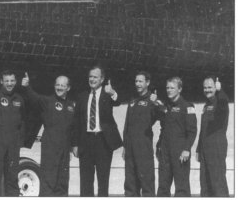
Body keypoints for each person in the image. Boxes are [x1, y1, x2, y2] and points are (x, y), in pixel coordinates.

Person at [71, 65, 123, 196]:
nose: (92, 79)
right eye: (90, 76)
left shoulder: (107, 94)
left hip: (103, 141)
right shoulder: (82, 96)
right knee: (86, 180)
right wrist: (75, 144)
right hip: (86, 141)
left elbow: (118, 102)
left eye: (95, 77)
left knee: (103, 180)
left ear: (102, 79)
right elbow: (76, 122)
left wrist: (113, 93)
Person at [21, 72, 75, 196]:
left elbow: (73, 128)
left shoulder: (71, 106)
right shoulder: (47, 101)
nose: (59, 87)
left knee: (62, 182)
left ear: (68, 88)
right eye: (57, 85)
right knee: (48, 181)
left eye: (62, 85)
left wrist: (72, 146)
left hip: (64, 150)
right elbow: (34, 97)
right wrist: (27, 87)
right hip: (50, 148)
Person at [123, 71, 163, 196]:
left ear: (147, 82)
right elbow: (127, 125)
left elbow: (163, 116)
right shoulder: (132, 100)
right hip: (130, 148)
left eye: (140, 81)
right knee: (130, 184)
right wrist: (125, 146)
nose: (138, 84)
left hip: (143, 148)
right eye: (136, 81)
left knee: (147, 184)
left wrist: (157, 104)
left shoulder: (152, 100)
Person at [157, 76, 197, 197]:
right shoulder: (166, 106)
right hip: (165, 152)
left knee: (182, 188)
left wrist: (186, 149)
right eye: (167, 88)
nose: (169, 90)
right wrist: (159, 146)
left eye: (172, 88)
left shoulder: (187, 106)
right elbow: (163, 129)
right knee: (163, 187)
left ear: (179, 89)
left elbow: (192, 131)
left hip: (180, 152)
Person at [196, 76, 229, 197]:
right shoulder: (206, 105)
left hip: (216, 147)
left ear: (216, 88)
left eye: (210, 87)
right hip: (205, 149)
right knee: (205, 183)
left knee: (217, 183)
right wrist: (198, 150)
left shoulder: (221, 102)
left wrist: (221, 91)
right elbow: (203, 129)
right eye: (205, 88)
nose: (207, 90)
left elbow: (224, 103)